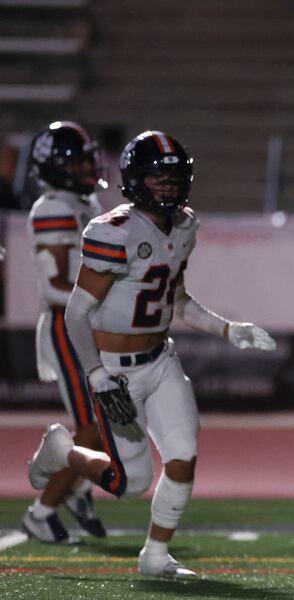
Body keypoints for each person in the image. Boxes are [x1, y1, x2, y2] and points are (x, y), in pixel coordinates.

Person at [27, 130, 277, 578]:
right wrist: (96, 376)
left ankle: (156, 557)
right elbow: (77, 315)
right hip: (117, 372)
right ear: (135, 180)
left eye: (174, 178)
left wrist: (228, 329)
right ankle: (63, 450)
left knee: (183, 456)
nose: (167, 186)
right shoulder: (112, 231)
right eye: (157, 178)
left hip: (161, 361)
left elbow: (177, 301)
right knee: (131, 484)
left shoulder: (184, 226)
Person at [23, 121, 107, 544]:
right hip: (67, 324)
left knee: (110, 420)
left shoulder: (83, 200)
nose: (88, 166)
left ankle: (76, 487)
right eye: (78, 161)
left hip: (90, 324)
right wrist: (102, 298)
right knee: (92, 424)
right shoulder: (54, 207)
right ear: (56, 168)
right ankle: (41, 512)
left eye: (89, 157)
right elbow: (52, 287)